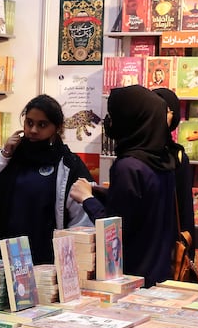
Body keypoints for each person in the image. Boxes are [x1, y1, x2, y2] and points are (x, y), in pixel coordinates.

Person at [70, 84, 176, 287]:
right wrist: (101, 192)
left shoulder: (128, 166)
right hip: (160, 275)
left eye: (115, 116)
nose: (109, 122)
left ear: (130, 120)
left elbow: (113, 231)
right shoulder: (164, 160)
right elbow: (143, 207)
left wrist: (87, 199)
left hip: (130, 277)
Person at [0, 94, 93, 265]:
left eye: (42, 125)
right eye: (29, 123)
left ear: (57, 128)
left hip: (43, 259)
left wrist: (68, 262)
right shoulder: (11, 156)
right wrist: (4, 154)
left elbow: (81, 220)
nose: (33, 130)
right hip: (2, 253)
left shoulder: (68, 164)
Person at [154, 87, 195, 258]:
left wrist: (187, 252)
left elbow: (184, 207)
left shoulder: (177, 156)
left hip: (168, 243)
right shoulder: (135, 153)